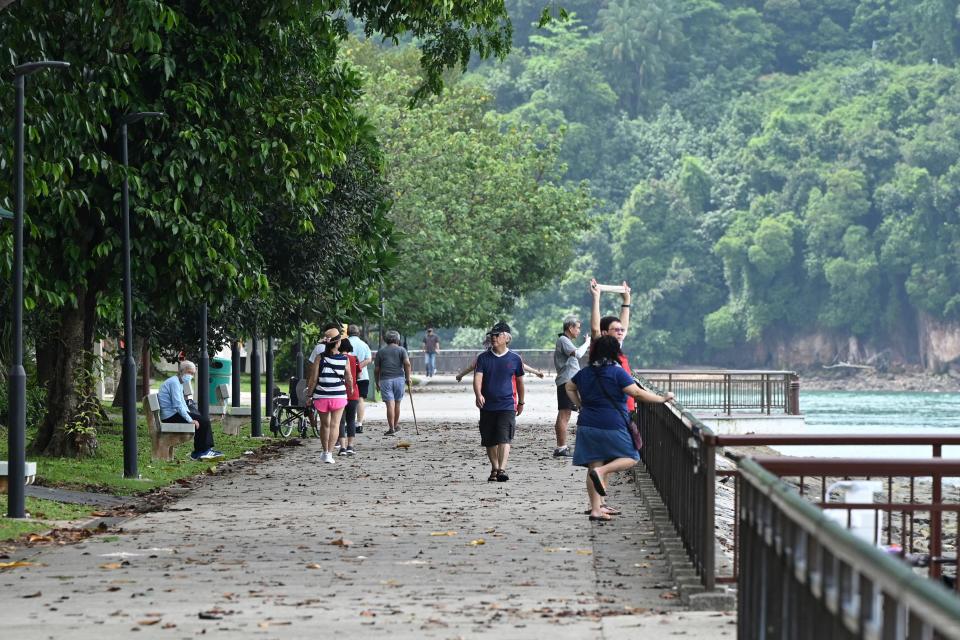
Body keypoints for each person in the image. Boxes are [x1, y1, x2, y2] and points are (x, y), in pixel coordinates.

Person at [564, 336, 673, 521]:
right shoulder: (617, 372)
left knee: (594, 463)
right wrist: (662, 399)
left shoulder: (586, 372)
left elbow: (569, 387)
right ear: (615, 352)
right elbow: (636, 392)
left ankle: (596, 509)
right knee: (631, 457)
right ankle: (602, 473)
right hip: (612, 424)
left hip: (587, 424)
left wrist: (581, 405)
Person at [473, 321, 525, 482]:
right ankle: (494, 467)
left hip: (507, 404)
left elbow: (521, 382)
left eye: (497, 335)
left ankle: (502, 469)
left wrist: (521, 402)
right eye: (492, 335)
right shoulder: (483, 358)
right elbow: (477, 379)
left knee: (504, 437)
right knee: (489, 439)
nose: (493, 338)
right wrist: (478, 394)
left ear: (506, 338)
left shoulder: (515, 358)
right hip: (487, 405)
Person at [305, 323, 354, 464]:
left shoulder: (320, 358)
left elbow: (313, 379)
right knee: (335, 425)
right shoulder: (345, 359)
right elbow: (348, 377)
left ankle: (325, 451)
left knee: (325, 425)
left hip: (321, 396)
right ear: (338, 343)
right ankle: (329, 454)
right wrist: (349, 388)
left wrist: (309, 395)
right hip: (339, 396)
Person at [157, 360, 223, 461]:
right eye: (189, 372)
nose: (191, 376)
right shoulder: (174, 382)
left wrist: (190, 414)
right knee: (204, 422)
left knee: (202, 420)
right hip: (170, 416)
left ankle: (201, 451)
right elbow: (177, 405)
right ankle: (203, 451)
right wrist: (190, 419)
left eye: (193, 373)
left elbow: (182, 402)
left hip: (173, 413)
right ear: (182, 371)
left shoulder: (178, 382)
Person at [590, 278, 635, 412]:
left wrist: (626, 301)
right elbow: (595, 329)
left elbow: (624, 325)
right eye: (616, 330)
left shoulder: (616, 346)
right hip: (609, 407)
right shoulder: (599, 346)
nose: (621, 332)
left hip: (624, 406)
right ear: (604, 333)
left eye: (621, 330)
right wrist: (596, 298)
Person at [553, 316, 590, 458]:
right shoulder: (563, 340)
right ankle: (561, 447)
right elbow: (579, 354)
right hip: (566, 382)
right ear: (570, 328)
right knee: (564, 413)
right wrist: (587, 342)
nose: (579, 331)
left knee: (570, 412)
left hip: (570, 381)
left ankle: (565, 446)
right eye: (578, 327)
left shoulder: (565, 341)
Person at [375, 330, 412, 435]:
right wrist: (408, 378)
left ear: (386, 340)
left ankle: (391, 428)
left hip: (385, 380)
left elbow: (377, 369)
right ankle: (395, 426)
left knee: (389, 405)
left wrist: (377, 382)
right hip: (399, 379)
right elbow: (407, 364)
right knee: (397, 403)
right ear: (397, 340)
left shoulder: (381, 352)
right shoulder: (402, 350)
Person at [336, 338, 361, 456]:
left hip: (339, 393)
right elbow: (359, 375)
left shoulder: (336, 359)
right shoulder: (354, 359)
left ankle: (342, 447)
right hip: (353, 393)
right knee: (351, 420)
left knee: (341, 421)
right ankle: (350, 446)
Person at [347, 325, 372, 433]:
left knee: (347, 399)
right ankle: (359, 424)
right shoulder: (364, 344)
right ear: (359, 333)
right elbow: (369, 359)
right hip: (363, 376)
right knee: (360, 399)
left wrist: (353, 369)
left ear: (347, 332)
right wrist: (359, 368)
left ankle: (348, 423)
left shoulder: (344, 343)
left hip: (347, 376)